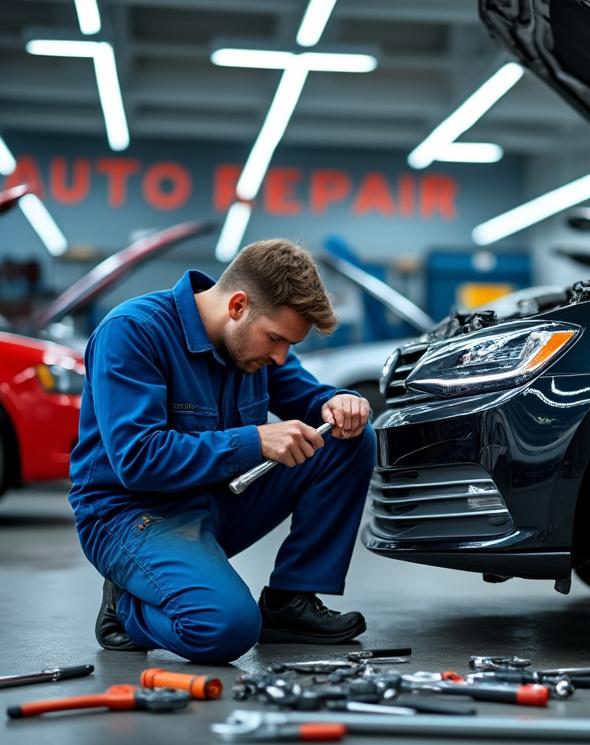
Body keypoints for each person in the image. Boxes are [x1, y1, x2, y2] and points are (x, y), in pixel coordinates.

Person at [69, 239, 375, 663]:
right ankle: (126, 609)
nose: (281, 357)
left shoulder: (256, 349)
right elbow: (137, 460)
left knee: (348, 438)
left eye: (290, 345)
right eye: (275, 339)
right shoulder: (133, 332)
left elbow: (311, 397)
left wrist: (340, 401)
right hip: (132, 514)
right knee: (224, 628)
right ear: (237, 305)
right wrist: (256, 440)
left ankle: (290, 603)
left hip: (216, 496)